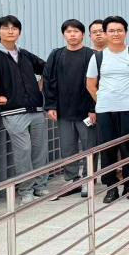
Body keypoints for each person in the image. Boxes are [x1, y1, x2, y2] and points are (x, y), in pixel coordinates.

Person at [0, 15, 49, 203]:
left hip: (36, 109)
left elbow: (46, 68)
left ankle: (40, 187)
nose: (10, 31)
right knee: (23, 150)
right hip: (13, 112)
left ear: (19, 32)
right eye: (5, 28)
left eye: (14, 28)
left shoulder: (24, 54)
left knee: (39, 150)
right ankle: (26, 191)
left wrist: (39, 87)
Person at [85, 16, 129, 203]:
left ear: (126, 32)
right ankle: (111, 187)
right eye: (111, 31)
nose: (115, 34)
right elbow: (90, 85)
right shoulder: (98, 57)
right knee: (107, 149)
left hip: (128, 110)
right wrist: (103, 101)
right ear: (105, 33)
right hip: (105, 111)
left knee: (128, 147)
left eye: (119, 30)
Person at [43, 19, 97, 199]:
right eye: (68, 31)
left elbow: (97, 83)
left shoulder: (91, 55)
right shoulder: (56, 55)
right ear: (63, 34)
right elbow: (48, 80)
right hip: (63, 111)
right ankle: (72, 179)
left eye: (76, 31)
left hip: (86, 111)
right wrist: (50, 105)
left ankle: (89, 179)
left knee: (89, 146)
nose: (72, 35)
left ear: (83, 34)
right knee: (67, 148)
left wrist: (93, 108)